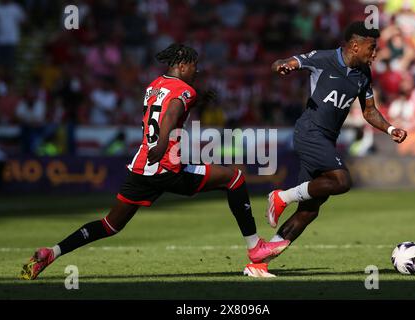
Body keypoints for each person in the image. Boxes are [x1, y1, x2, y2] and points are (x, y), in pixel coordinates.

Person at [21, 44, 289, 280]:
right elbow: (172, 113)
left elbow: (166, 106)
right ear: (182, 65)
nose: (197, 71)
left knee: (110, 224)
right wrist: (162, 144)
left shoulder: (153, 86)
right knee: (234, 178)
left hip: (141, 168)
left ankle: (52, 252)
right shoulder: (185, 90)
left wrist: (191, 106)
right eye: (194, 67)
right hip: (166, 166)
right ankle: (255, 247)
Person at [264, 22, 407, 265]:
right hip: (310, 133)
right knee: (342, 181)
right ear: (354, 45)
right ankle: (282, 197)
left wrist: (390, 128)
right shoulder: (323, 59)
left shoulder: (363, 74)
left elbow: (369, 111)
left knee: (309, 210)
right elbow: (285, 62)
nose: (375, 53)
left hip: (327, 138)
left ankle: (258, 262)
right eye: (372, 48)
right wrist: (283, 66)